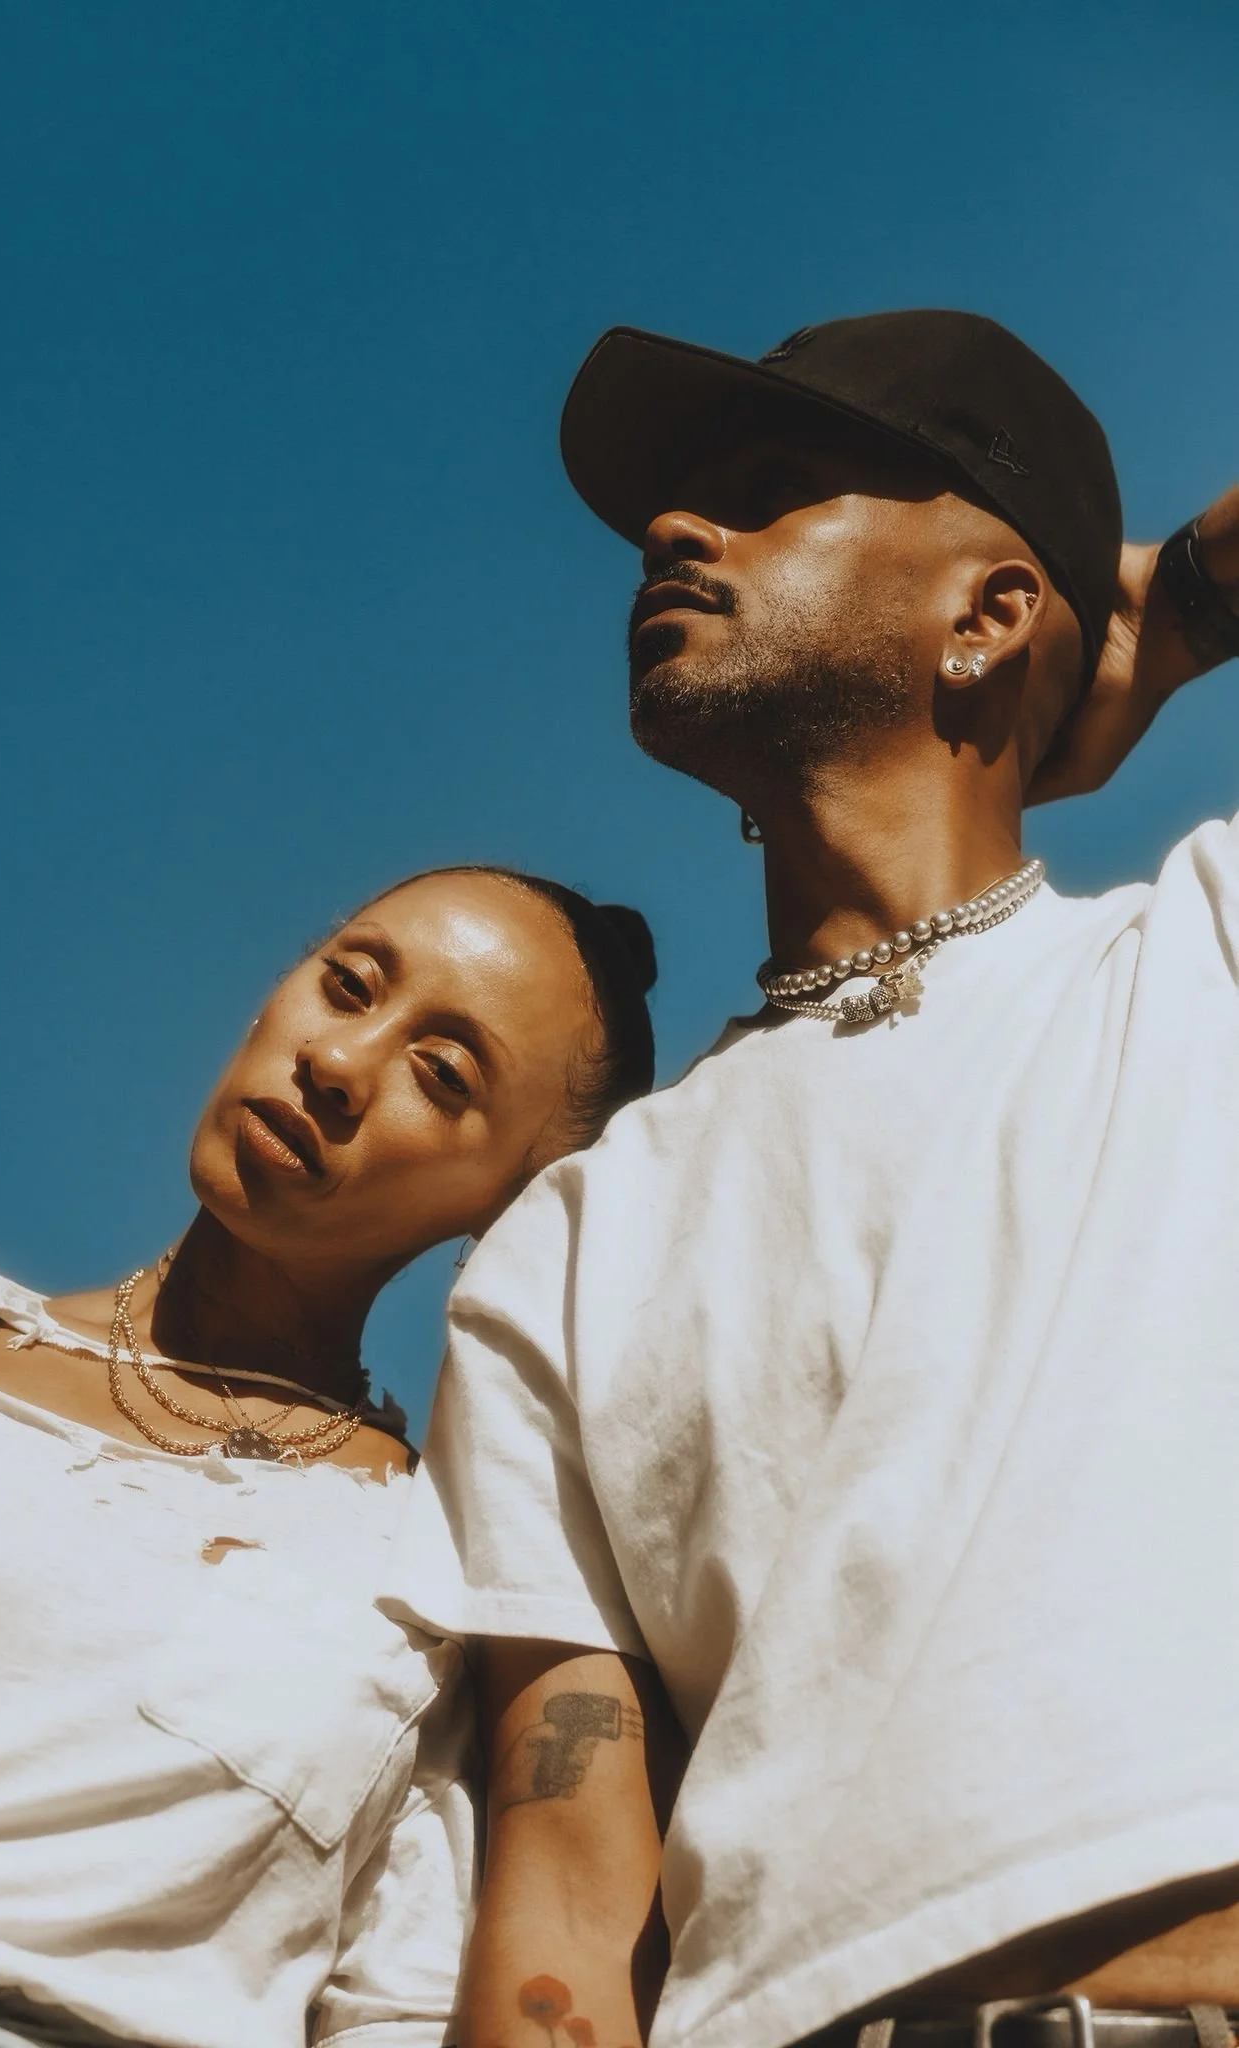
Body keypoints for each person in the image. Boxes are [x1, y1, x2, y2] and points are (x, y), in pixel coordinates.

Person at [379, 312, 1239, 2048]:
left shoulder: (1200, 957)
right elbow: (563, 1889)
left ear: (991, 613)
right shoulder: (565, 1241)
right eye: (684, 505)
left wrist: (1166, 609)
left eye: (770, 489)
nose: (671, 531)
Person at [0, 863, 657, 2048]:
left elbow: (398, 2004)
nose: (339, 1061)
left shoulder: (434, 1571)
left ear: (508, 1205)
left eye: (443, 1074)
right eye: (348, 985)